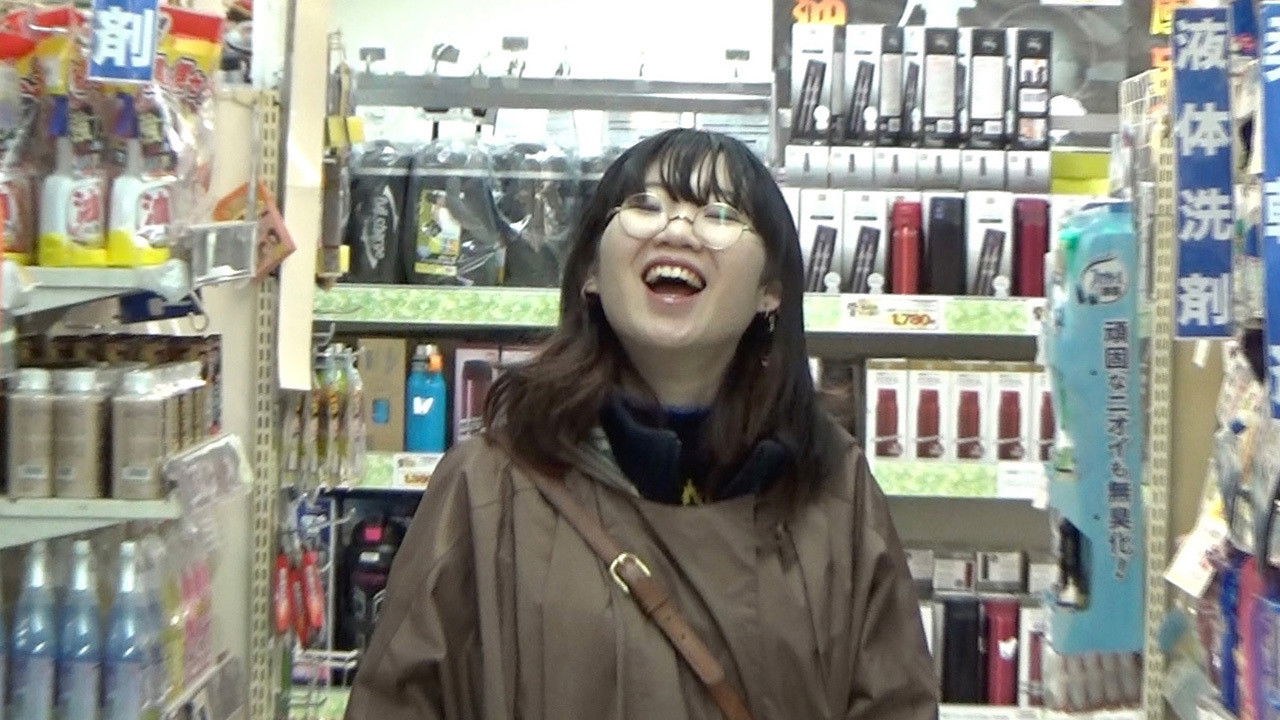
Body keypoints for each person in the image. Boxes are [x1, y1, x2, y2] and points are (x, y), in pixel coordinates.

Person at [344, 128, 939, 720]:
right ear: (591, 274)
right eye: (645, 205)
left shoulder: (831, 488)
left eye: (719, 214)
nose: (676, 230)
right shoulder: (488, 486)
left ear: (771, 291)